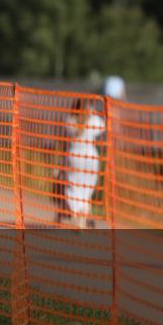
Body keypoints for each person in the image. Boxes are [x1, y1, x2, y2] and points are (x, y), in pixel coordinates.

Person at [60, 98, 105, 230]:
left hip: (74, 157)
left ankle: (75, 216)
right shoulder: (93, 120)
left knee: (73, 188)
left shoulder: (69, 120)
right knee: (86, 191)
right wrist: (93, 112)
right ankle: (82, 220)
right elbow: (102, 127)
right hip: (91, 157)